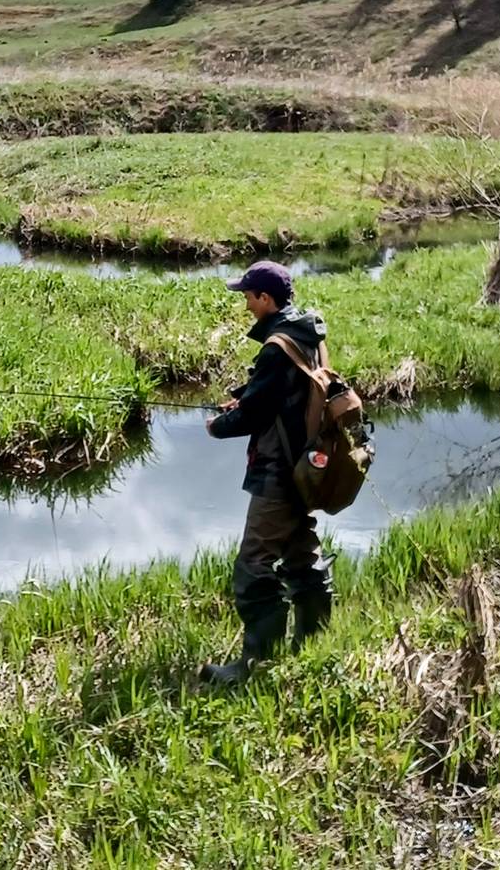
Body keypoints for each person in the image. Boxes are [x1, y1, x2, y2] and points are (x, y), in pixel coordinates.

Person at [200, 260, 335, 685]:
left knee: (253, 565)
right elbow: (282, 394)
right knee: (301, 557)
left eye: (248, 296)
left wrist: (217, 425)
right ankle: (314, 645)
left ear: (265, 298)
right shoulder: (308, 334)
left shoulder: (277, 345)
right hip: (305, 469)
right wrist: (245, 398)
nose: (245, 305)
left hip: (278, 472)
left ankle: (254, 664)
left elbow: (256, 413)